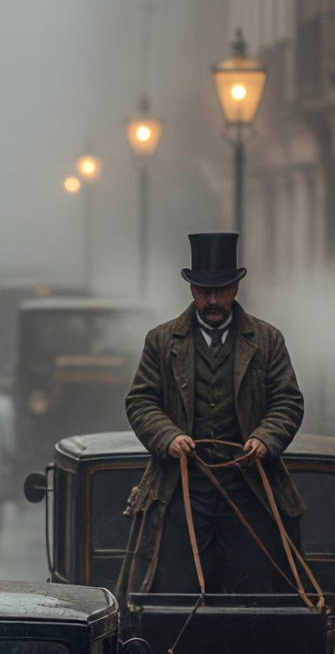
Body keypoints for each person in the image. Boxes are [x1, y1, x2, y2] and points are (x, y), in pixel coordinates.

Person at [123, 231, 305, 594]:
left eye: (221, 290)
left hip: (250, 484)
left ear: (236, 287)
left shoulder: (268, 341)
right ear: (191, 289)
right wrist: (168, 436)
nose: (213, 300)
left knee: (255, 582)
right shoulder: (160, 341)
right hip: (181, 485)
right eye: (204, 291)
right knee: (175, 584)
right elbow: (141, 401)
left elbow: (288, 401)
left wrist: (264, 438)